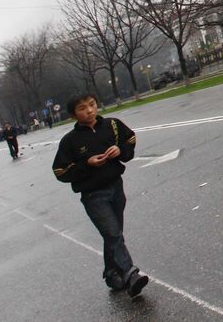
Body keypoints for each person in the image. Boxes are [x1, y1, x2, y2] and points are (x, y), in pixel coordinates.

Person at [52, 94, 150, 299]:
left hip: (116, 187)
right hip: (93, 196)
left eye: (92, 105)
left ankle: (111, 273)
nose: (89, 110)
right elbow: (60, 172)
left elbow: (130, 139)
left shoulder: (112, 125)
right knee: (113, 234)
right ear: (73, 115)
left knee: (113, 235)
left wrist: (120, 150)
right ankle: (130, 273)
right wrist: (87, 164)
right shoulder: (70, 141)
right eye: (82, 108)